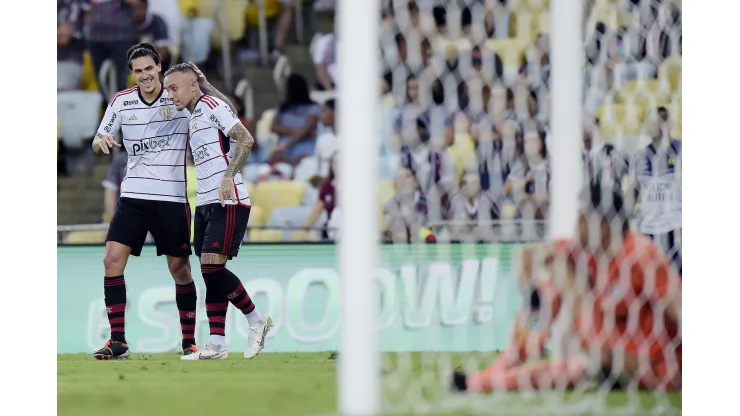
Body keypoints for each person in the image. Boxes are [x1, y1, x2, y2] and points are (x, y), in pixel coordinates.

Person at [452, 184, 682, 392]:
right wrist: (534, 312)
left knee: (560, 269)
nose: (575, 225)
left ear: (602, 225)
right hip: (609, 357)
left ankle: (494, 372)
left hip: (654, 367)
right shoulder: (589, 251)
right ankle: (491, 372)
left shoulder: (641, 256)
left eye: (581, 218)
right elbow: (527, 256)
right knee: (552, 277)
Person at [90, 43, 233, 361]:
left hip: (171, 199)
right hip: (133, 196)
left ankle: (189, 343)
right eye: (138, 71)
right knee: (112, 261)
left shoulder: (177, 98)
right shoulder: (121, 102)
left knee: (180, 270)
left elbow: (226, 113)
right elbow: (100, 140)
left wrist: (206, 86)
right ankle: (118, 341)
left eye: (149, 69)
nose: (144, 76)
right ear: (132, 74)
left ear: (159, 67)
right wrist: (102, 141)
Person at [163, 63, 273, 360]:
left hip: (229, 199)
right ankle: (217, 345)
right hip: (206, 202)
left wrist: (227, 177)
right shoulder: (195, 111)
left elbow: (245, 138)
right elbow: (224, 108)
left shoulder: (210, 105)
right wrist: (206, 85)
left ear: (191, 86)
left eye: (174, 88)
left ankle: (257, 320)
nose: (170, 94)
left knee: (211, 268)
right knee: (211, 272)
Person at [628, 107, 682, 275]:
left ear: (670, 124)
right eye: (654, 122)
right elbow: (633, 192)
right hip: (649, 229)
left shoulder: (682, 151)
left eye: (662, 121)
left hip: (677, 226)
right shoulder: (639, 157)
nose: (658, 126)